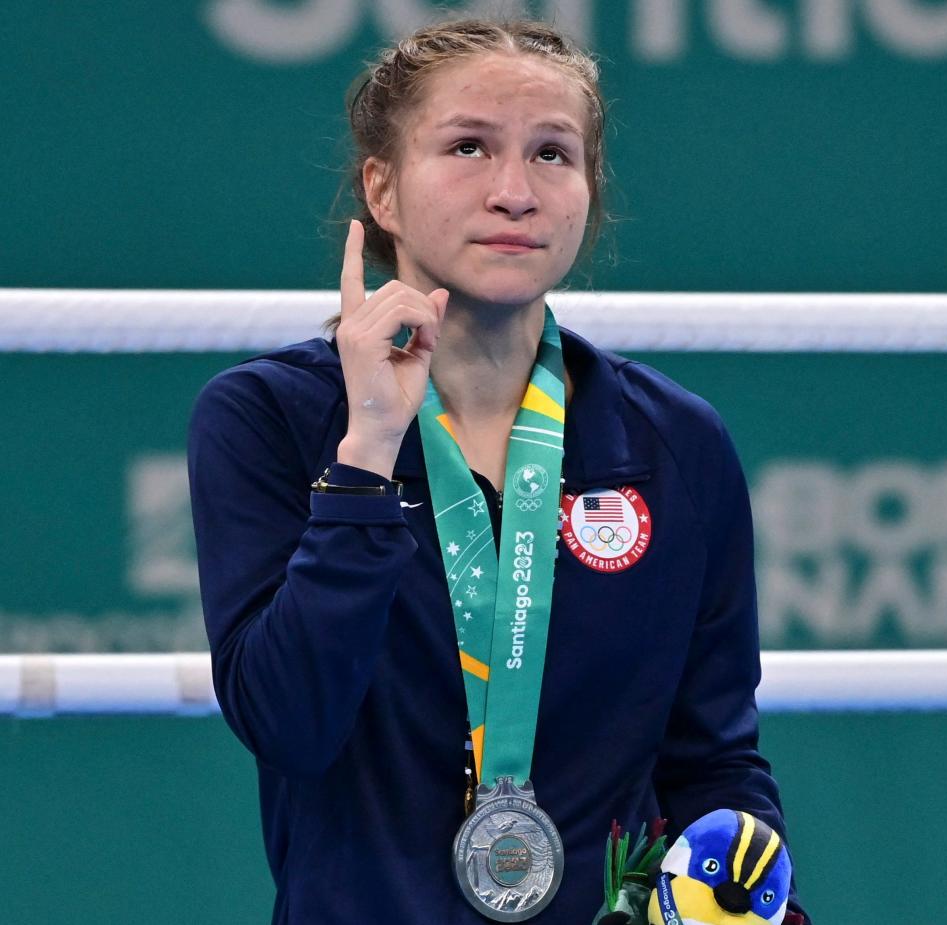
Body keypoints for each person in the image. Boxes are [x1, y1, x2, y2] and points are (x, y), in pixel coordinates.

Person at [188, 16, 811, 925]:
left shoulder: (675, 443)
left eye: (553, 154)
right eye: (469, 146)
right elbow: (291, 725)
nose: (515, 192)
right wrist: (365, 454)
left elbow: (712, 760)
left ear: (589, 190)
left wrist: (752, 900)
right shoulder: (270, 419)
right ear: (383, 190)